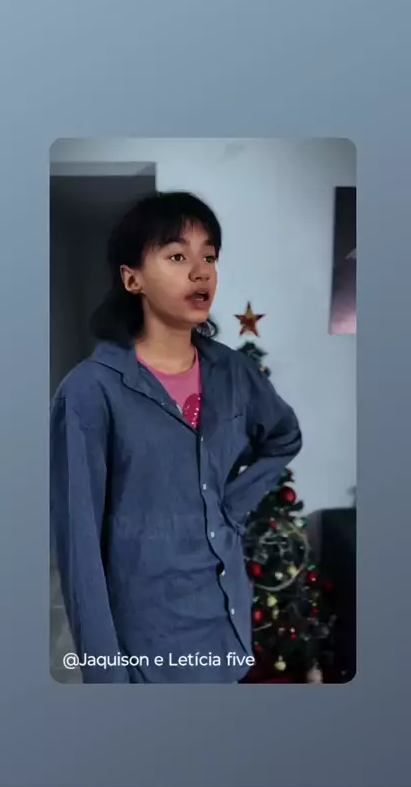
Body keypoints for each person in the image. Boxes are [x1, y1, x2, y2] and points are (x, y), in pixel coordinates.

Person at [50, 191, 302, 683]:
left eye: (209, 257)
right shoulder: (89, 393)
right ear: (132, 279)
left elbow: (283, 437)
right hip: (150, 645)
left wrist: (233, 505)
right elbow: (80, 554)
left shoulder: (233, 371)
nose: (201, 272)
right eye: (177, 256)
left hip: (226, 628)